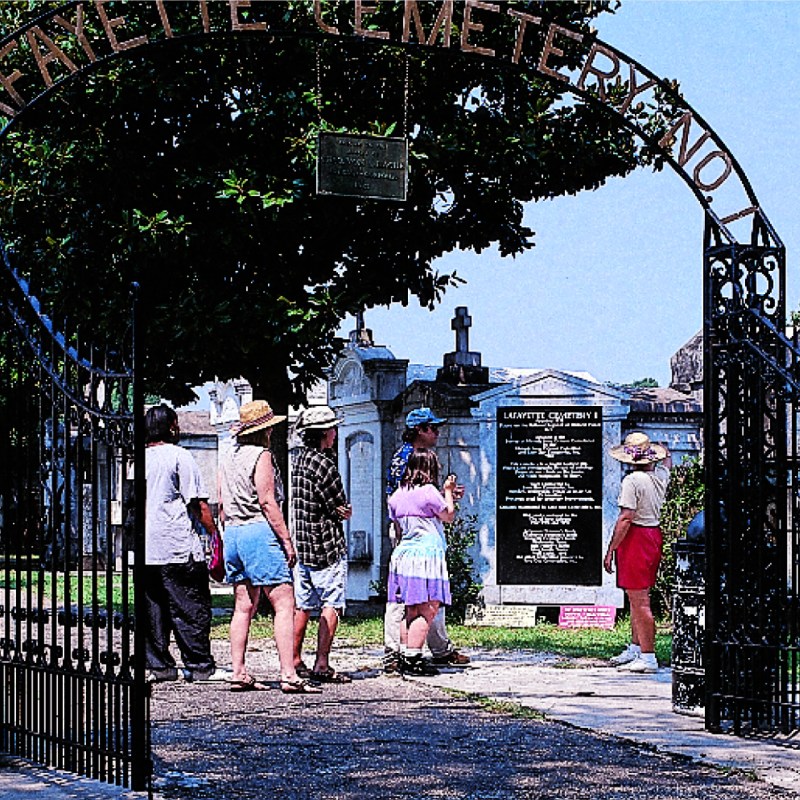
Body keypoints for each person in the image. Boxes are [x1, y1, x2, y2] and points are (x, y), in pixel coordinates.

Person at [218, 399, 320, 694]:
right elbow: (267, 501)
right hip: (257, 530)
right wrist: (286, 539)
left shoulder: (228, 456)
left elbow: (222, 502)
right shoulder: (260, 455)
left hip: (234, 533)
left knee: (243, 605)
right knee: (284, 602)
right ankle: (289, 673)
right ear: (265, 429)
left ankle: (238, 670)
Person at [143, 404, 228, 683]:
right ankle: (199, 664)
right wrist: (214, 534)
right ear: (171, 427)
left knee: (154, 610)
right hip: (177, 543)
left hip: (147, 546)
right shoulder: (180, 456)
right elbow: (197, 503)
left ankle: (159, 665)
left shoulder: (138, 458)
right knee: (190, 606)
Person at [383, 407, 470, 673]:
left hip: (408, 531)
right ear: (419, 430)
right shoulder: (408, 458)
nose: (437, 432)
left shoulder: (413, 462)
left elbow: (406, 500)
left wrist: (446, 497)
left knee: (415, 601)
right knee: (416, 601)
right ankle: (397, 652)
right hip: (416, 540)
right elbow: (426, 504)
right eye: (432, 428)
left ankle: (432, 647)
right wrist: (444, 499)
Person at [290, 405, 353, 683]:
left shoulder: (299, 461)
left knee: (302, 605)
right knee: (331, 603)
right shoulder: (326, 465)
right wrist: (344, 511)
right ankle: (322, 663)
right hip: (326, 543)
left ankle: (293, 659)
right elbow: (340, 506)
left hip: (302, 541)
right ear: (326, 433)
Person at [604, 432, 672, 674]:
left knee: (640, 600)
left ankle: (648, 655)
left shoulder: (632, 481)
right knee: (636, 598)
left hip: (637, 536)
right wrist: (662, 449)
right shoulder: (659, 477)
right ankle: (636, 647)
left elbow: (626, 517)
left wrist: (611, 548)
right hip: (653, 533)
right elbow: (667, 462)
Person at [387, 448, 457, 675]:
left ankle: (408, 653)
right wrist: (447, 491)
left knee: (410, 609)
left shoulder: (397, 495)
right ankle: (414, 659)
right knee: (428, 609)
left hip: (403, 555)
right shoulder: (429, 491)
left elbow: (397, 527)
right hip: (426, 556)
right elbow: (448, 515)